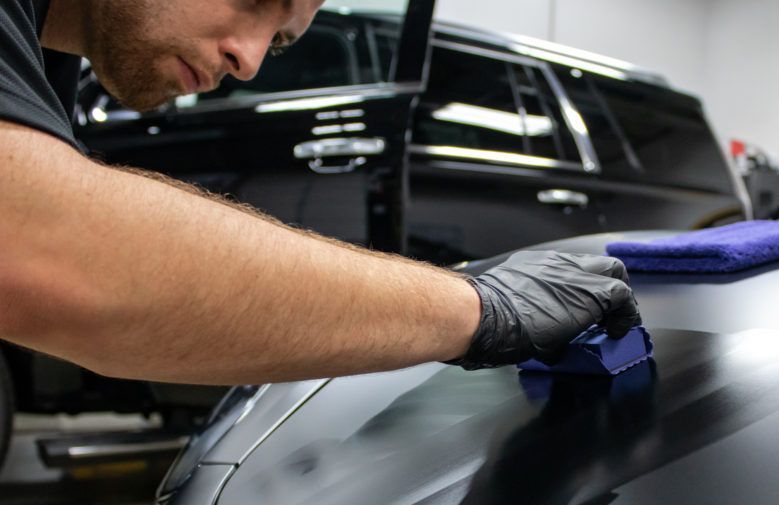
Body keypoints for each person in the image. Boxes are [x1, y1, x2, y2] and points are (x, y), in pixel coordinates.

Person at [0, 0, 640, 386]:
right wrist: (480, 310)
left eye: (279, 40)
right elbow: (50, 256)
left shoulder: (43, 61)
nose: (249, 60)